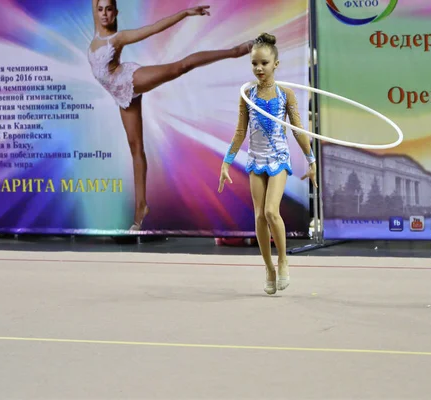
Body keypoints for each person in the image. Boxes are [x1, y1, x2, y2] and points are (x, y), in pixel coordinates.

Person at [88, 0, 254, 230]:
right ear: (95, 11)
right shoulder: (96, 30)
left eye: (109, 9)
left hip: (129, 79)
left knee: (180, 66)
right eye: (100, 9)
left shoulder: (117, 38)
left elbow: (154, 28)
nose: (104, 14)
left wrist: (185, 13)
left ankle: (236, 51)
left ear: (115, 13)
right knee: (136, 149)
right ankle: (141, 208)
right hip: (120, 95)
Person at [217, 33, 317, 295]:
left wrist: (311, 160)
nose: (259, 68)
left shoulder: (287, 94)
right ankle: (268, 268)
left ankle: (283, 260)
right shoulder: (247, 94)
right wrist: (226, 162)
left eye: (264, 63)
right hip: (256, 159)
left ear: (276, 64)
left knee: (272, 212)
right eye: (254, 64)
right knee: (259, 216)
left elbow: (297, 130)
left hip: (279, 159)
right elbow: (240, 132)